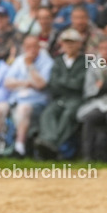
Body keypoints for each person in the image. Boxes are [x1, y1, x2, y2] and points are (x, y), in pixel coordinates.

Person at [34, 29, 89, 160]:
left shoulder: (85, 61)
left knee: (68, 114)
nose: (69, 46)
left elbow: (79, 84)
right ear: (61, 45)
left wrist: (63, 82)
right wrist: (69, 82)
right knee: (48, 113)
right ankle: (49, 141)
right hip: (60, 98)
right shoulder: (58, 61)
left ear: (80, 44)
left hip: (76, 99)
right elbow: (53, 83)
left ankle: (53, 144)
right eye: (66, 43)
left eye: (73, 43)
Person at [0, 35, 53, 157]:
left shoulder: (47, 61)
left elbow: (41, 85)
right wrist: (27, 83)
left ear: (39, 47)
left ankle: (19, 147)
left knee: (23, 109)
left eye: (34, 46)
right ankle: (4, 143)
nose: (31, 49)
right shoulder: (20, 60)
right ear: (24, 48)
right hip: (16, 99)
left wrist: (30, 66)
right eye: (28, 47)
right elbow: (7, 82)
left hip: (37, 101)